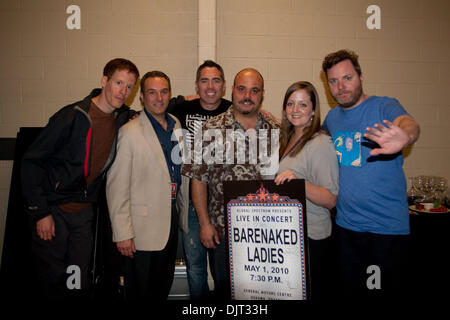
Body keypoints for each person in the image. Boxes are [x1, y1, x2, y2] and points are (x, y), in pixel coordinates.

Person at [21, 58, 139, 300]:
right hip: (54, 210)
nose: (123, 91)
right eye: (118, 83)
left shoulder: (120, 118)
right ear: (104, 81)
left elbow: (153, 106)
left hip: (84, 214)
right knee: (51, 280)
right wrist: (40, 213)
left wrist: (182, 101)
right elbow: (31, 162)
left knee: (77, 279)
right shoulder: (71, 116)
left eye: (129, 87)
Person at [321, 49, 420, 299]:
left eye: (347, 78)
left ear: (361, 77)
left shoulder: (384, 106)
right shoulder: (332, 118)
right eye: (333, 81)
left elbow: (408, 123)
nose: (341, 87)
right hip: (346, 228)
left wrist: (405, 135)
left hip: (385, 232)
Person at [182, 68, 280, 300]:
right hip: (223, 233)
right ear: (232, 90)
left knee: (260, 294)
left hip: (264, 235)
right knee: (226, 291)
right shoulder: (211, 128)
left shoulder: (275, 129)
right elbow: (198, 179)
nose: (248, 95)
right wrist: (205, 224)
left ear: (262, 94)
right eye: (242, 89)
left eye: (254, 90)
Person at [106, 71, 187, 300]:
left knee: (161, 289)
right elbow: (116, 187)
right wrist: (122, 233)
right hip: (140, 232)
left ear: (170, 95)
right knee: (139, 293)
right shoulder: (129, 133)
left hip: (169, 223)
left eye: (163, 92)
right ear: (141, 97)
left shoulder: (176, 125)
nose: (158, 98)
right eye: (152, 92)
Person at [167, 60, 231, 300]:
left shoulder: (233, 110)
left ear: (224, 85)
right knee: (195, 266)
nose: (210, 86)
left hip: (223, 205)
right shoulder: (181, 111)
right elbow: (157, 105)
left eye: (216, 80)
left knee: (223, 269)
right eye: (204, 80)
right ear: (197, 84)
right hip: (192, 201)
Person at [274, 81, 339, 300]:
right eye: (290, 104)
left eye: (303, 105)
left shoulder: (319, 143)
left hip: (312, 238)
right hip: (293, 235)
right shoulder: (288, 138)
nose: (295, 110)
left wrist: (299, 184)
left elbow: (331, 199)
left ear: (313, 110)